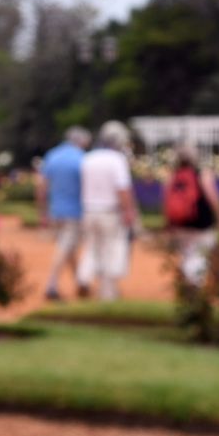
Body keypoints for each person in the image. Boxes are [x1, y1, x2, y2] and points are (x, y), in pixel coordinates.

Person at [78, 121, 139, 301]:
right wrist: (129, 212)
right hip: (110, 212)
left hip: (89, 210)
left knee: (92, 247)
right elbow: (123, 190)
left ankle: (84, 277)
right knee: (113, 248)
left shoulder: (88, 158)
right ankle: (108, 290)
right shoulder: (117, 160)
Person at [35, 126, 91, 301]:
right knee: (65, 247)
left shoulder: (52, 155)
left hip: (55, 211)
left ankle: (80, 282)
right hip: (75, 212)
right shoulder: (82, 159)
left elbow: (41, 187)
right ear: (81, 141)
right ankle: (51, 285)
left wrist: (43, 212)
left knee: (69, 247)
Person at [164, 144, 219, 287]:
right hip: (201, 222)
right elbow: (213, 198)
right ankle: (194, 285)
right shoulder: (202, 173)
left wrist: (169, 223)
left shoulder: (173, 175)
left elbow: (166, 201)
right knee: (200, 255)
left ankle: (188, 282)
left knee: (187, 255)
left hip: (180, 223)